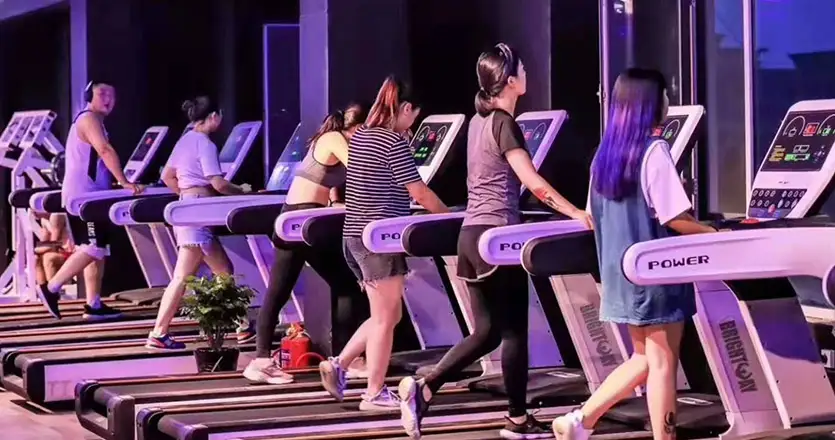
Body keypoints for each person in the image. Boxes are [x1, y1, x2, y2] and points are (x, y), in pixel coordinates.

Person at [397, 43, 592, 440]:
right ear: (510, 80)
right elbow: (533, 182)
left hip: (472, 237)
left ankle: (426, 387)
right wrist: (576, 213)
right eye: (522, 69)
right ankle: (516, 419)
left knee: (486, 332)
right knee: (514, 331)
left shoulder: (477, 121)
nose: (527, 73)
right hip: (498, 238)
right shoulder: (504, 122)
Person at [551, 68, 717, 440]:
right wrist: (714, 235)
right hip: (656, 273)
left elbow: (592, 215)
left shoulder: (603, 157)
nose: (668, 101)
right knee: (662, 363)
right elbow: (675, 218)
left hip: (620, 274)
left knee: (644, 359)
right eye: (665, 94)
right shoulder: (654, 151)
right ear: (650, 103)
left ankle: (581, 420)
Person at [318, 75, 448, 411]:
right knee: (384, 319)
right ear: (405, 108)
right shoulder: (393, 141)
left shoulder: (362, 136)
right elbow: (419, 191)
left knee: (388, 315)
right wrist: (450, 218)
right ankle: (374, 393)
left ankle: (339, 364)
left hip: (354, 237)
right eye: (413, 116)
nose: (412, 124)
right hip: (379, 240)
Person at [243, 103, 371, 384]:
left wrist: (340, 204)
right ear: (358, 127)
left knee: (346, 285)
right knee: (279, 290)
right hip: (296, 221)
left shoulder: (335, 141)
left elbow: (333, 187)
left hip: (311, 220)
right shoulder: (334, 138)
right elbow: (360, 169)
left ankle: (346, 359)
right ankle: (260, 361)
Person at [146, 96, 254, 349]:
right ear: (213, 116)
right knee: (188, 276)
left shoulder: (184, 140)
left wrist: (186, 196)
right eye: (220, 116)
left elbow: (167, 176)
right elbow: (218, 183)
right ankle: (158, 332)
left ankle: (242, 326)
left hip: (187, 207)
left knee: (220, 270)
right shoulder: (205, 144)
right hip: (198, 212)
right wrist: (244, 191)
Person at [37, 80, 143, 320]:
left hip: (91, 195)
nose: (108, 99)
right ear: (88, 97)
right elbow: (105, 150)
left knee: (98, 249)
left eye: (112, 95)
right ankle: (51, 288)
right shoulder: (89, 119)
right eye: (102, 93)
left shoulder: (94, 121)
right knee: (93, 248)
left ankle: (93, 304)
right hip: (85, 199)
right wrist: (124, 181)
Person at [33, 213, 72, 285]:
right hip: (58, 249)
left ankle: (53, 288)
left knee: (48, 258)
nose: (33, 212)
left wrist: (37, 249)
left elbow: (54, 243)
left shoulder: (56, 216)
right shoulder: (44, 220)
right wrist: (35, 250)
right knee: (35, 258)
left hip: (68, 250)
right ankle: (44, 289)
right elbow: (43, 243)